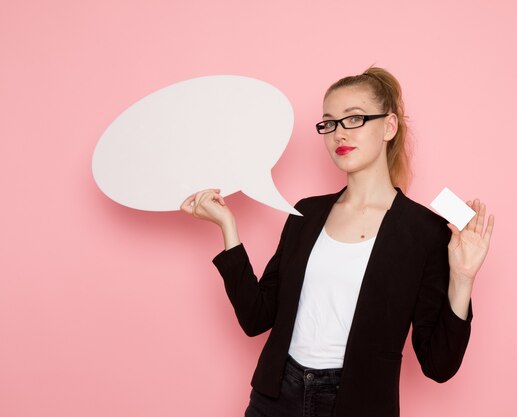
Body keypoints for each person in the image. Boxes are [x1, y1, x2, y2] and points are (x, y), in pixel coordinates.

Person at [180, 67, 494, 417]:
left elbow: (438, 365)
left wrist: (463, 278)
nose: (338, 133)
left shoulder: (425, 231)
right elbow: (256, 318)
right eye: (328, 123)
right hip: (275, 398)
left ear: (389, 126)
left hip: (358, 404)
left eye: (354, 118)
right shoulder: (306, 214)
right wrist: (228, 226)